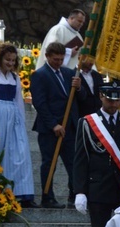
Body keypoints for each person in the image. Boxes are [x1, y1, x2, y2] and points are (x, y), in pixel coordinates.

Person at [74, 80, 120, 227]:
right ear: (101, 96)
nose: (114, 104)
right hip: (98, 188)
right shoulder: (88, 123)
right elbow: (81, 159)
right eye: (110, 100)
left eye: (117, 100)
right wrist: (80, 191)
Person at [0, 43, 35, 207]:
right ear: (0, 58)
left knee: (19, 153)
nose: (10, 63)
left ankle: (21, 193)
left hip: (13, 116)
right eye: (7, 59)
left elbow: (18, 101)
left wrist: (21, 123)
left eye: (13, 60)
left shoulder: (15, 78)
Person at [30, 42, 82, 208]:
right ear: (47, 56)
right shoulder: (40, 75)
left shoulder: (69, 73)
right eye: (55, 59)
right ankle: (47, 197)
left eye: (61, 59)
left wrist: (79, 88)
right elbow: (40, 103)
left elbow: (81, 98)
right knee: (49, 163)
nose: (58, 62)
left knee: (73, 162)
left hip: (69, 127)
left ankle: (73, 195)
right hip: (49, 129)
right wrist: (53, 125)